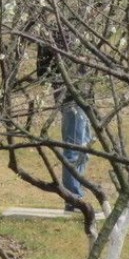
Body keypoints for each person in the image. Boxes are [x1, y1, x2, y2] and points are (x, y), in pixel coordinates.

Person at [36, 30, 91, 209]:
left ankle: (74, 194)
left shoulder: (75, 28)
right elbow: (43, 71)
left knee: (83, 148)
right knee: (74, 148)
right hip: (71, 98)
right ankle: (73, 198)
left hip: (82, 98)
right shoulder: (60, 34)